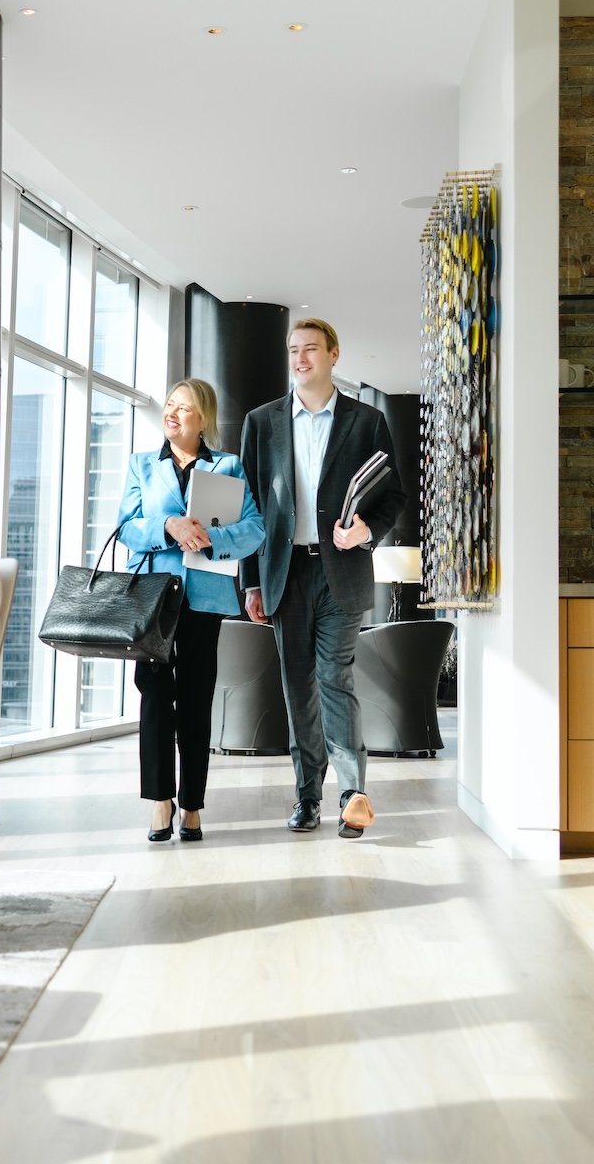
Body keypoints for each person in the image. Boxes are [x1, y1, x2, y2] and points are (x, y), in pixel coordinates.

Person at [240, 318, 405, 839]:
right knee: (298, 687)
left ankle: (352, 795)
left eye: (310, 349)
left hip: (341, 570)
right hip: (284, 571)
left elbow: (393, 495)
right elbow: (249, 506)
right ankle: (307, 796)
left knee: (335, 677)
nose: (300, 358)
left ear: (334, 354)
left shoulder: (367, 420)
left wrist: (365, 532)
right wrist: (250, 581)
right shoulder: (261, 423)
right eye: (293, 349)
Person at [115, 379, 265, 843]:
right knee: (155, 697)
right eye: (169, 405)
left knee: (196, 700)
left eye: (184, 408)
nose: (172, 413)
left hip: (204, 598)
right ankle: (160, 801)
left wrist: (211, 538)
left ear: (203, 418)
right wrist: (167, 525)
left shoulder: (228, 466)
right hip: (154, 598)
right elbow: (125, 528)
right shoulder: (142, 464)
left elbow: (255, 528)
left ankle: (192, 805)